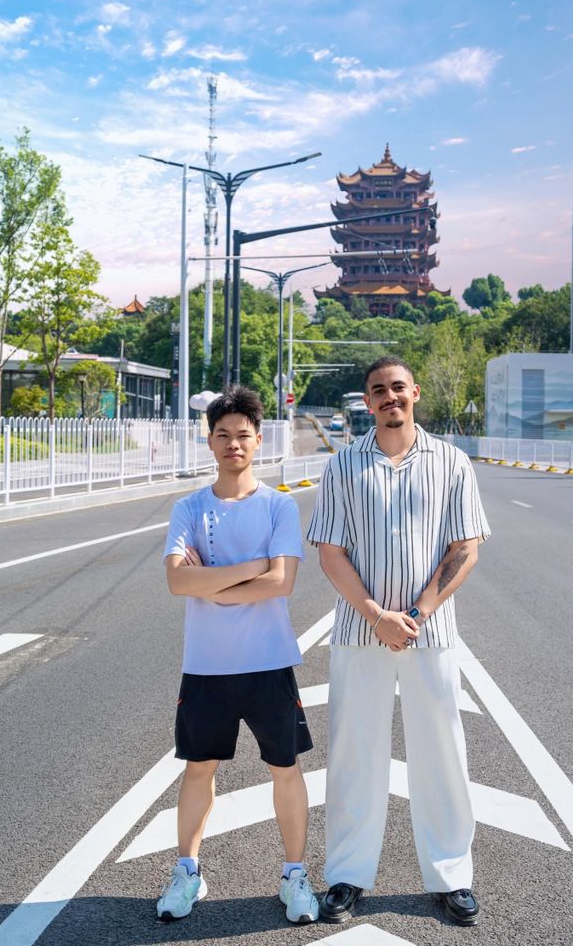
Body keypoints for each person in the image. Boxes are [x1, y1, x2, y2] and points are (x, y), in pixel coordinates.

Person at [307, 357, 491, 927]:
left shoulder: (452, 462)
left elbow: (466, 546)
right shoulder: (343, 466)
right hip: (359, 634)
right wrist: (375, 614)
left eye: (397, 388)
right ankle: (346, 876)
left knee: (442, 755)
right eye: (377, 391)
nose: (389, 397)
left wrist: (416, 612)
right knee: (354, 755)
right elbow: (330, 552)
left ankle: (451, 876)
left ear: (414, 392)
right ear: (367, 402)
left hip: (429, 634)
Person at [157, 385, 319, 924]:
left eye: (243, 436)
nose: (233, 444)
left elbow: (282, 583)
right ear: (210, 442)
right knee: (198, 770)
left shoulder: (279, 504)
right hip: (206, 666)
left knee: (286, 769)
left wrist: (212, 582)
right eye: (223, 435)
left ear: (258, 441)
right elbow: (177, 584)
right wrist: (251, 567)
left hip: (268, 663)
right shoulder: (189, 507)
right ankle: (187, 872)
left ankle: (295, 875)